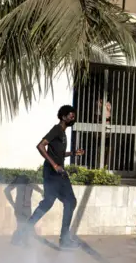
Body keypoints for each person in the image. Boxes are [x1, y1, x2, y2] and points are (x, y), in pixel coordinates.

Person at [14, 105, 85, 249]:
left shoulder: (62, 132)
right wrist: (54, 166)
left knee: (48, 203)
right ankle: (64, 239)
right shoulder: (57, 129)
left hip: (54, 172)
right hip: (54, 173)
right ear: (63, 117)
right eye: (71, 115)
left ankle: (22, 233)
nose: (73, 118)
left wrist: (73, 153)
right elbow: (40, 146)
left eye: (74, 115)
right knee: (70, 201)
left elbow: (57, 154)